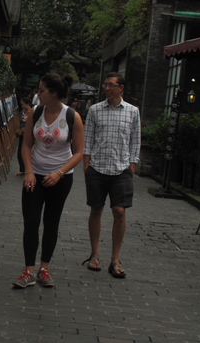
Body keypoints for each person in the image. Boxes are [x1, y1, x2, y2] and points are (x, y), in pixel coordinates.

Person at [12, 73, 84, 288]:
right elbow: (26, 145)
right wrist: (29, 172)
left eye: (41, 90)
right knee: (31, 221)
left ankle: (44, 268)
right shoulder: (36, 112)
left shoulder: (72, 116)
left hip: (60, 179)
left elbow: (79, 153)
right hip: (35, 176)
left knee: (51, 222)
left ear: (53, 93)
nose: (37, 93)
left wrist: (59, 172)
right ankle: (28, 271)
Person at [82, 72, 141, 278]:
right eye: (105, 85)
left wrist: (131, 166)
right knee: (96, 210)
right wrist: (87, 167)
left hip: (122, 169)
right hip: (97, 168)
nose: (107, 88)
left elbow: (136, 141)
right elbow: (87, 140)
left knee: (119, 212)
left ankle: (115, 258)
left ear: (121, 88)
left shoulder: (133, 112)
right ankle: (94, 254)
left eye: (111, 85)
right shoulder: (95, 110)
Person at [16, 97, 33, 176]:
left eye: (22, 104)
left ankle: (30, 169)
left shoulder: (33, 112)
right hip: (22, 134)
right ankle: (22, 169)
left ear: (27, 104)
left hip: (31, 135)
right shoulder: (22, 112)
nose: (21, 106)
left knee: (31, 152)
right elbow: (21, 122)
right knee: (20, 152)